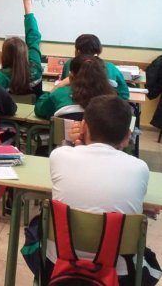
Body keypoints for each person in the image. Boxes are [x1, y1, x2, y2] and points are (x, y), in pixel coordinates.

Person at [43, 94, 159, 285]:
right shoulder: (139, 168)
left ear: (83, 127)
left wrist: (75, 142)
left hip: (58, 264)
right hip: (119, 272)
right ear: (127, 136)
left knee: (36, 229)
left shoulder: (59, 156)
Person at [0, 0, 43, 96]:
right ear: (25, 51)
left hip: (9, 108)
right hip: (35, 108)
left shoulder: (1, 76)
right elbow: (33, 37)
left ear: (5, 55)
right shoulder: (35, 68)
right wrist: (27, 2)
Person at [34, 54, 114, 120]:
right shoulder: (111, 100)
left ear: (70, 76)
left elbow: (40, 110)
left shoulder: (59, 94)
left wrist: (57, 87)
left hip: (64, 135)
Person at [59, 34, 130, 100]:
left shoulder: (70, 64)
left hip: (73, 103)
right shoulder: (110, 67)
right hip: (103, 106)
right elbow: (124, 94)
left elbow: (63, 88)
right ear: (99, 50)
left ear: (78, 51)